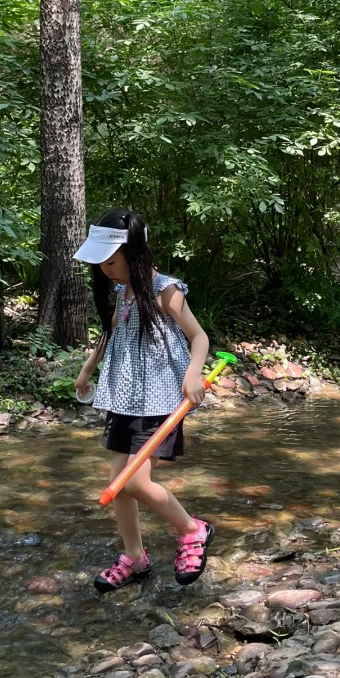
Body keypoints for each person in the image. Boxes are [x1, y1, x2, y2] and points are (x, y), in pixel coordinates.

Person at [75, 209, 214, 592]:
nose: (105, 268)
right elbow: (110, 335)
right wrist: (88, 368)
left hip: (157, 397)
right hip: (123, 396)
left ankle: (192, 529)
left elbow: (199, 337)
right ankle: (135, 558)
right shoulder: (122, 292)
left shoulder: (164, 289)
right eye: (100, 262)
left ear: (134, 253)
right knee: (117, 484)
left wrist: (192, 375)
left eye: (111, 260)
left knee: (133, 481)